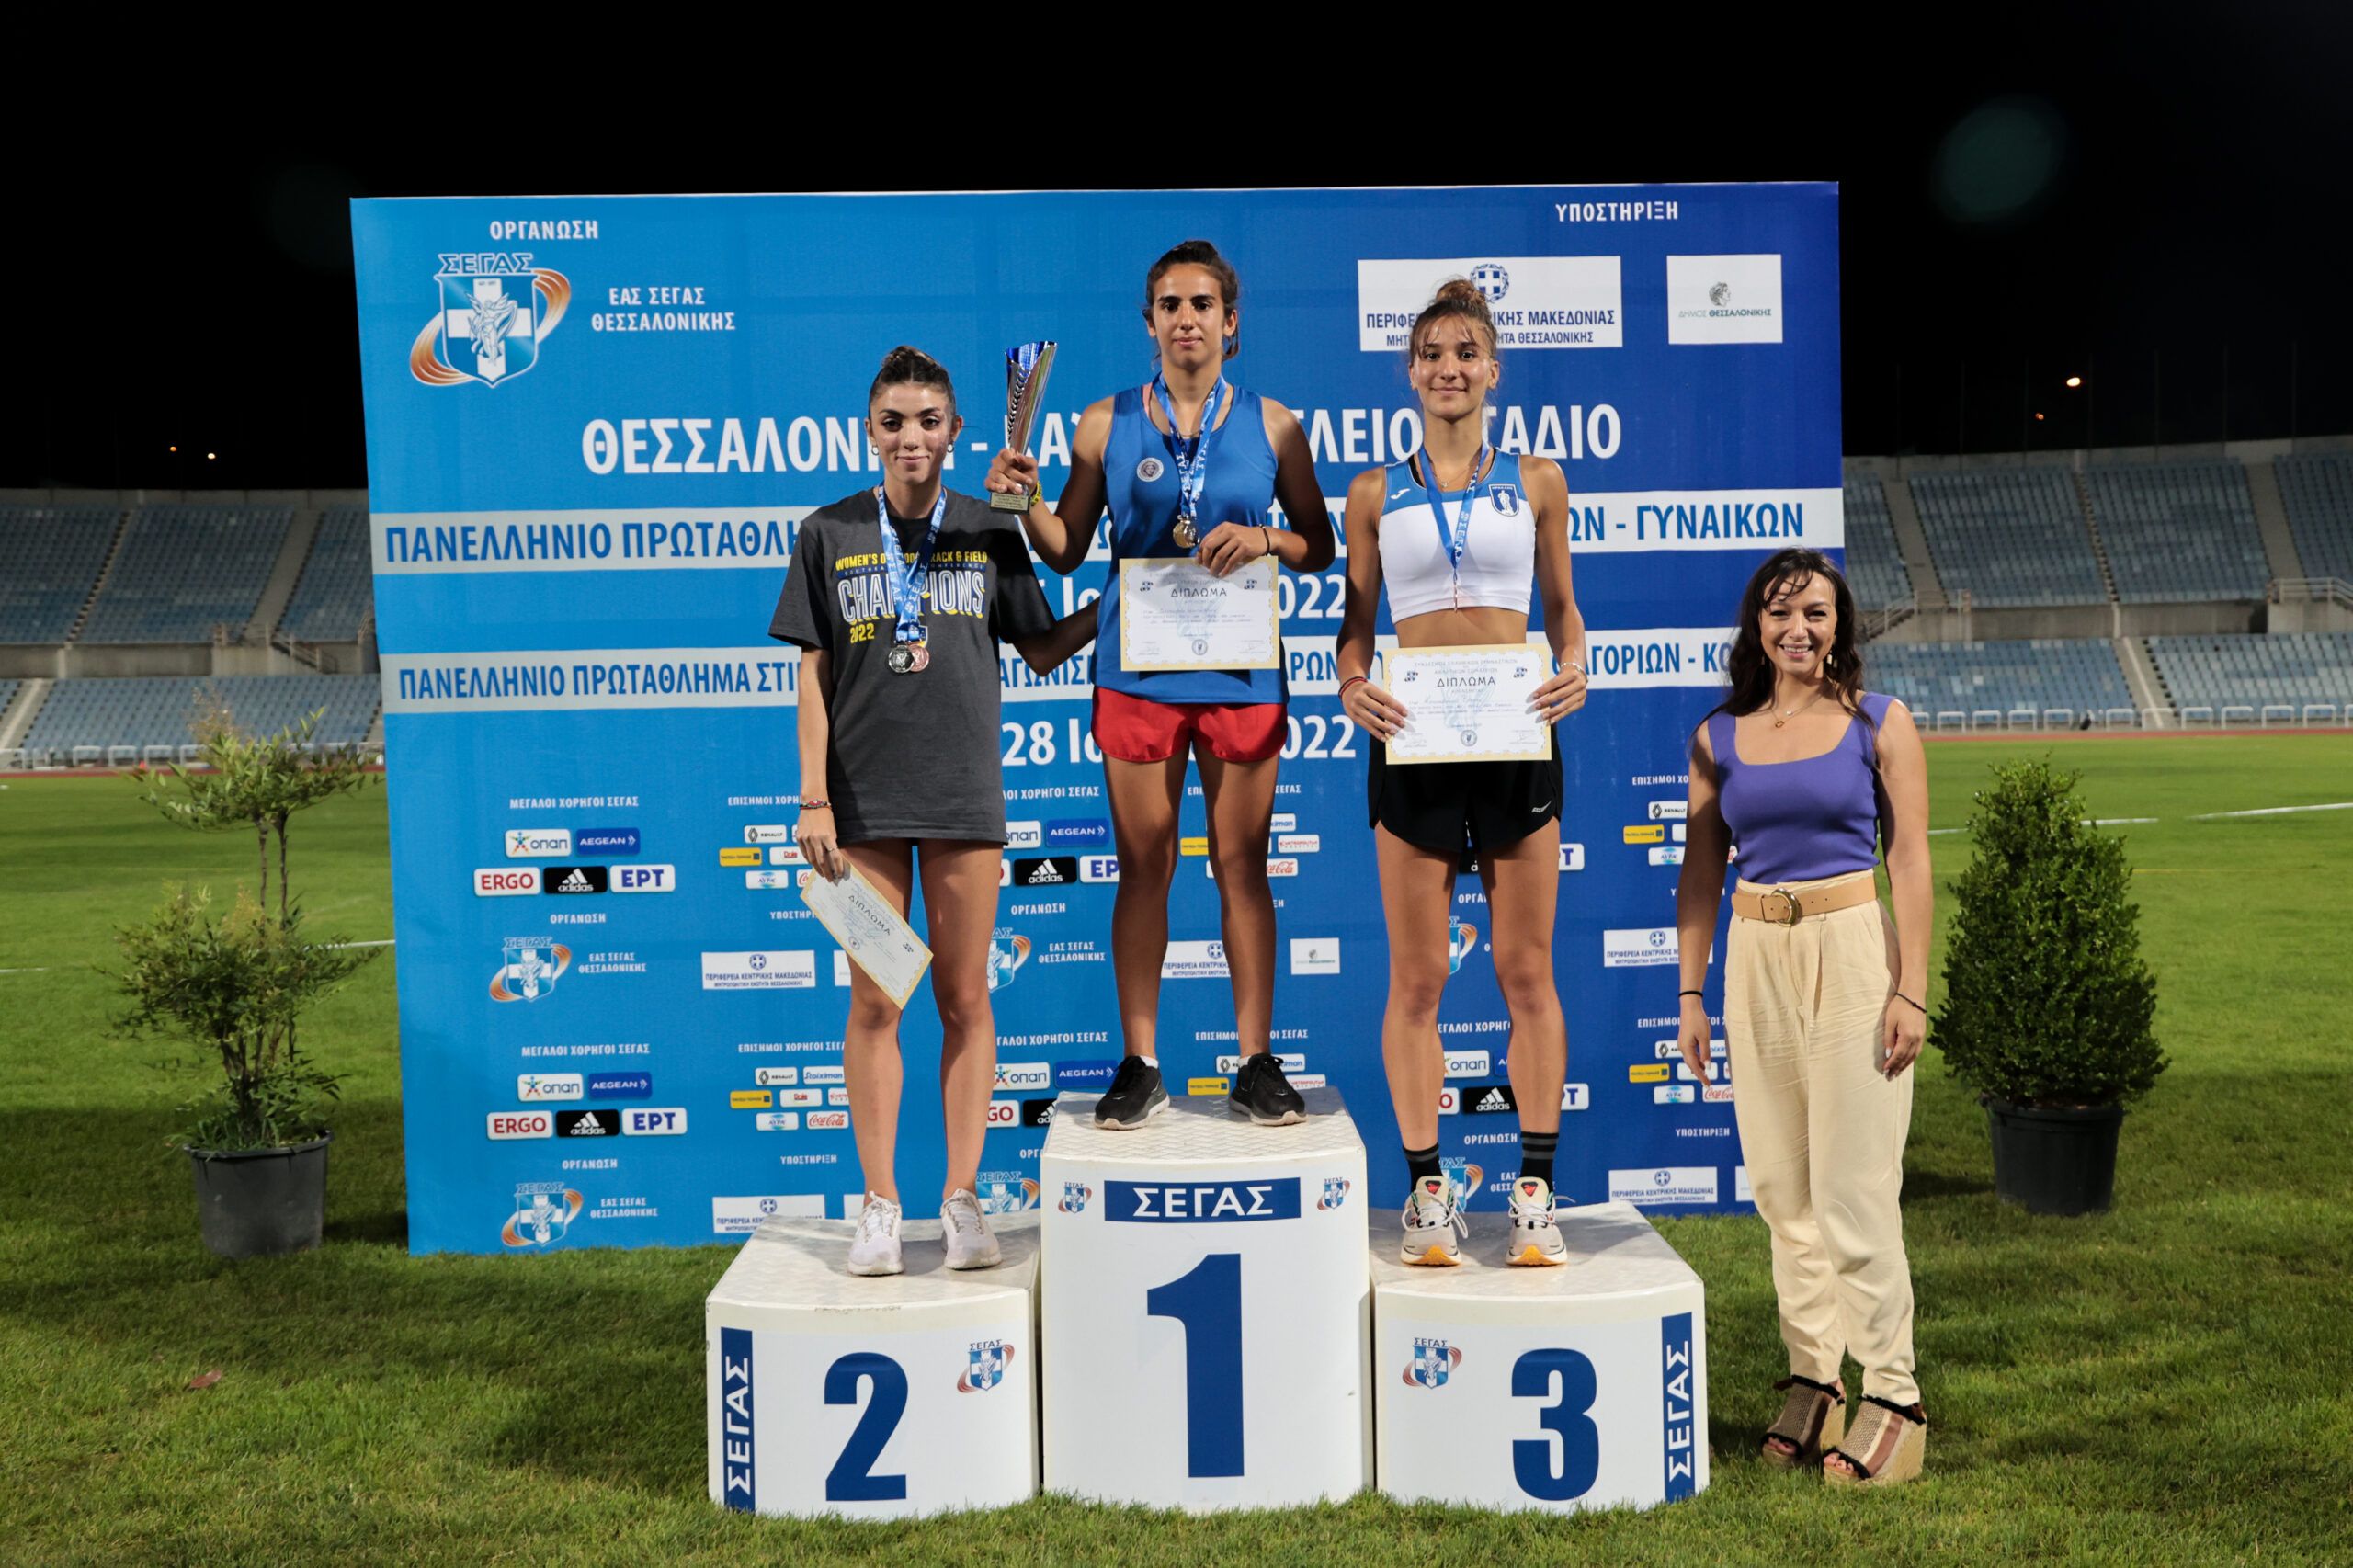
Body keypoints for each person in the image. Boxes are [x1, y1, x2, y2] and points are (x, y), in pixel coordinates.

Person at [987, 240, 1336, 1130]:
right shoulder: (1102, 423)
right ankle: (1140, 1062)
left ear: (1231, 321)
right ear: (1149, 323)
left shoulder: (1274, 425)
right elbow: (1065, 549)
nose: (1186, 319)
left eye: (1202, 304)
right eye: (1170, 305)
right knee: (1144, 862)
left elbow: (1319, 545)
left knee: (1240, 861)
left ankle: (1255, 1060)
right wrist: (1023, 501)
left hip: (1240, 668)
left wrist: (1266, 540)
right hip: (1138, 669)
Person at [771, 346, 1096, 1278]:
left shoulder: (990, 526)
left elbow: (1041, 647)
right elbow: (812, 674)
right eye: (893, 422)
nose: (910, 437)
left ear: (955, 431)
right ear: (869, 431)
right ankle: (879, 1205)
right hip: (861, 800)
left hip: (961, 793)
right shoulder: (829, 531)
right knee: (876, 999)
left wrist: (1129, 601)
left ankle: (961, 1199)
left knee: (963, 997)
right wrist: (812, 797)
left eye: (928, 421)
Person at [1333, 279, 1589, 1267]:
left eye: (1466, 352)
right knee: (1419, 978)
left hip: (1517, 733)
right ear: (1410, 372)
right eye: (1432, 353)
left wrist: (1576, 663)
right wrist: (1351, 682)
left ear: (1493, 370)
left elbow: (1562, 608)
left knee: (1526, 969)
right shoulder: (1371, 491)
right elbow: (1355, 624)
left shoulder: (1538, 479)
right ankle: (1428, 1194)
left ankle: (1535, 1195)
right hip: (1415, 736)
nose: (1449, 367)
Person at [1673, 547, 1932, 1486]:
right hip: (1755, 957)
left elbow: (1909, 862)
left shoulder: (1879, 721)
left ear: (1838, 625)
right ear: (1757, 625)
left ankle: (1894, 1397)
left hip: (1852, 952)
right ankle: (1816, 1379)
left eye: (1816, 612)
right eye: (1781, 612)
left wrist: (1911, 988)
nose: (1798, 628)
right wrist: (1690, 992)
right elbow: (1701, 870)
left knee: (1853, 1192)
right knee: (1784, 1192)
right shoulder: (1718, 736)